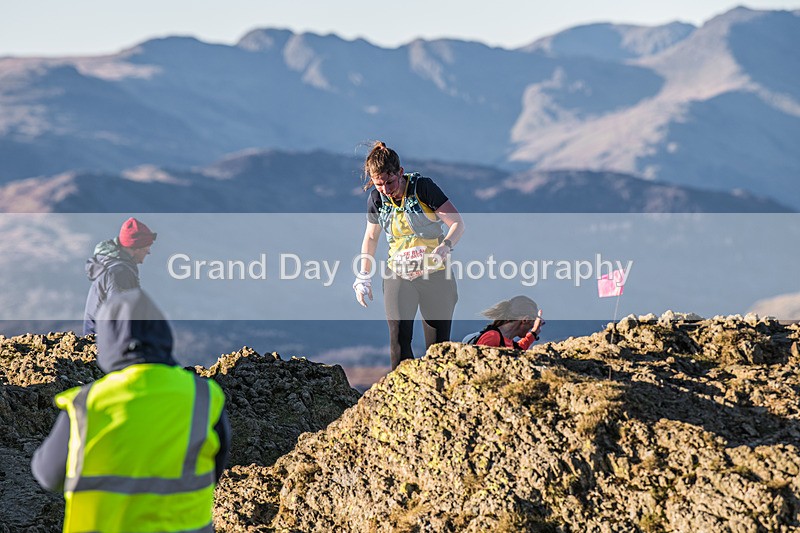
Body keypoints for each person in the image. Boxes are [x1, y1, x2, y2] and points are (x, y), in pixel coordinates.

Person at [32, 289, 230, 533]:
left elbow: (48, 476)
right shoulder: (203, 395)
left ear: (107, 341)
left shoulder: (87, 404)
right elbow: (216, 466)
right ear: (163, 335)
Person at [353, 141, 464, 370]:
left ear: (400, 172)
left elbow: (457, 224)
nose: (385, 189)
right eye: (378, 183)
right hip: (399, 274)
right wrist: (363, 276)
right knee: (399, 342)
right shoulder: (376, 200)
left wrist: (445, 247)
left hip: (435, 273)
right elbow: (371, 238)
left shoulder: (423, 188)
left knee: (438, 349)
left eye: (390, 182)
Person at [83, 217, 157, 335]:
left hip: (97, 338)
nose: (148, 254)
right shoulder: (120, 273)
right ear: (136, 248)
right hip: (105, 343)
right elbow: (121, 318)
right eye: (146, 251)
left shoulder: (111, 267)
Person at [471, 295, 544, 350]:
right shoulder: (492, 337)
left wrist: (534, 333)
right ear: (525, 320)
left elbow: (517, 350)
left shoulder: (507, 340)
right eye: (533, 322)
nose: (532, 326)